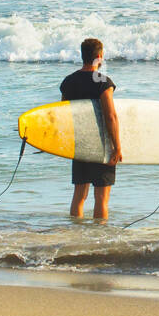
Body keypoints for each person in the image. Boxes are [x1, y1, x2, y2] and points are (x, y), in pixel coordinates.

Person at [60, 37, 122, 221]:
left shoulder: (69, 81)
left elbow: (63, 113)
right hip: (100, 144)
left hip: (80, 143)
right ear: (99, 57)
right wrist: (117, 147)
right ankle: (98, 240)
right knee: (101, 198)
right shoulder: (103, 82)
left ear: (83, 56)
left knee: (79, 195)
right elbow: (110, 116)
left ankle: (77, 235)